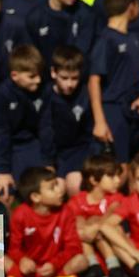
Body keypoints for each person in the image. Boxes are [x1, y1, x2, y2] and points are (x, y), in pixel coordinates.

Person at [89, 0, 139, 164]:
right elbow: (94, 80)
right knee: (117, 168)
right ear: (131, 5)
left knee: (134, 165)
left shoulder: (133, 38)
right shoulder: (106, 40)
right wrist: (100, 121)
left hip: (133, 111)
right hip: (113, 110)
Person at [5, 167, 86, 277]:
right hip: (29, 269)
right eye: (52, 187)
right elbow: (14, 249)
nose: (59, 190)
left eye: (57, 185)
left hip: (54, 268)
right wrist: (22, 260)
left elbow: (74, 246)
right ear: (36, 197)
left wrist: (54, 264)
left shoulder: (66, 212)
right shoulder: (20, 214)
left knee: (82, 260)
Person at [0, 44, 53, 201]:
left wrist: (48, 161)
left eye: (39, 75)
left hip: (32, 145)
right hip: (9, 147)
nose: (38, 80)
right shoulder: (2, 94)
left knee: (44, 189)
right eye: (32, 76)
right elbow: (1, 133)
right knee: (4, 193)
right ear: (15, 75)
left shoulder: (44, 90)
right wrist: (3, 170)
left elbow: (46, 127)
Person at [68, 153, 128, 277]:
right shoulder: (77, 201)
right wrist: (85, 230)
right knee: (79, 219)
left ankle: (114, 268)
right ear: (94, 180)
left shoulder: (116, 198)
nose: (118, 180)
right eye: (112, 176)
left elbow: (111, 214)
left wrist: (93, 227)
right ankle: (93, 267)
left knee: (97, 222)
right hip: (87, 248)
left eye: (118, 175)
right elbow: (74, 229)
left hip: (109, 246)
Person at [46, 45, 93, 195]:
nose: (70, 84)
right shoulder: (45, 96)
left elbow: (89, 131)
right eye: (64, 78)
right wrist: (48, 162)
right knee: (56, 190)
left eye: (74, 78)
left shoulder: (85, 94)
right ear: (53, 73)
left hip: (79, 151)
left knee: (76, 185)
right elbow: (44, 131)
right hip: (55, 155)